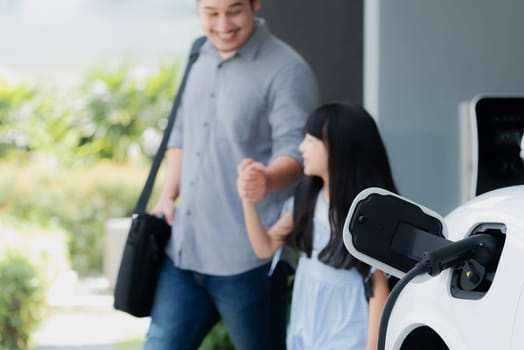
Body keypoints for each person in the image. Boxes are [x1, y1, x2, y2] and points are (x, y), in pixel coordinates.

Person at [144, 0, 319, 349]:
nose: (223, 24)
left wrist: (265, 179)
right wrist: (167, 196)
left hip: (248, 260)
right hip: (184, 251)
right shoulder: (197, 54)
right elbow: (180, 135)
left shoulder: (287, 69)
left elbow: (297, 153)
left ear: (255, 4)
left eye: (234, 11)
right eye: (211, 12)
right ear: (197, 9)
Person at [237, 103, 396, 350]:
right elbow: (265, 247)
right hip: (306, 329)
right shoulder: (307, 199)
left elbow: (378, 288)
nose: (302, 147)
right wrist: (248, 200)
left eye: (311, 140)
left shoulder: (368, 216)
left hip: (346, 334)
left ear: (340, 148)